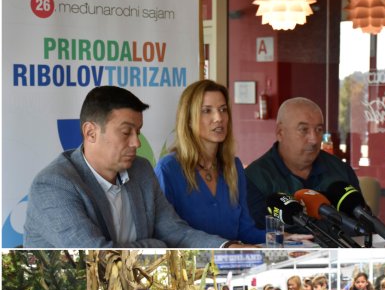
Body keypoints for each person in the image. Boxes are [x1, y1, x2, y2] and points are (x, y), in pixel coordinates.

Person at [23, 86, 234, 248]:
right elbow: (95, 256)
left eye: (138, 132)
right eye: (126, 133)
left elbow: (174, 232)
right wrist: (156, 245)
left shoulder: (140, 170)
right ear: (90, 133)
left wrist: (227, 247)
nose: (136, 143)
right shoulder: (54, 185)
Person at [154, 80, 264, 244]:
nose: (218, 118)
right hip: (191, 267)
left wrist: (283, 239)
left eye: (223, 110)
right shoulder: (168, 169)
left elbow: (244, 230)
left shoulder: (233, 166)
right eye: (207, 111)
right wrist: (224, 247)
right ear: (189, 119)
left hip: (233, 265)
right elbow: (169, 234)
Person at [244, 97, 361, 228]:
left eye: (319, 130)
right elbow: (256, 235)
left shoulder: (341, 170)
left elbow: (361, 225)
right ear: (280, 132)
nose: (314, 140)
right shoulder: (254, 178)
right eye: (304, 130)